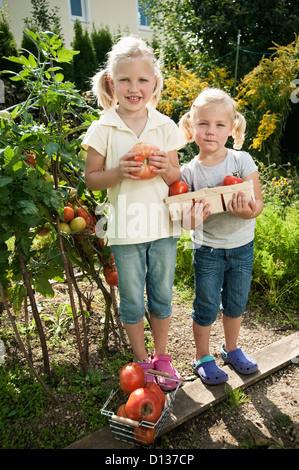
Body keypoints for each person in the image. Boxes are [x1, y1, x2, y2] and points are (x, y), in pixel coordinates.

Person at [82, 36, 185, 390]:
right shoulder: (104, 127)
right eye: (125, 80)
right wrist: (118, 171)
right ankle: (141, 360)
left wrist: (164, 169)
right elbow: (92, 180)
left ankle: (162, 357)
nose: (134, 87)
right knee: (131, 299)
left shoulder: (164, 126)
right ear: (112, 82)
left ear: (154, 83)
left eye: (142, 80)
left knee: (161, 295)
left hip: (162, 226)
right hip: (125, 229)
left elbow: (177, 178)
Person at [179, 88, 264, 385]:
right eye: (203, 123)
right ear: (191, 125)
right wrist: (192, 217)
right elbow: (182, 217)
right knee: (205, 305)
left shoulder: (241, 161)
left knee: (236, 303)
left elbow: (257, 205)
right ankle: (201, 356)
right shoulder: (189, 172)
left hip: (242, 247)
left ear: (232, 127)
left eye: (219, 125)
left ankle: (231, 349)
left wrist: (246, 212)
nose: (210, 131)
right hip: (208, 250)